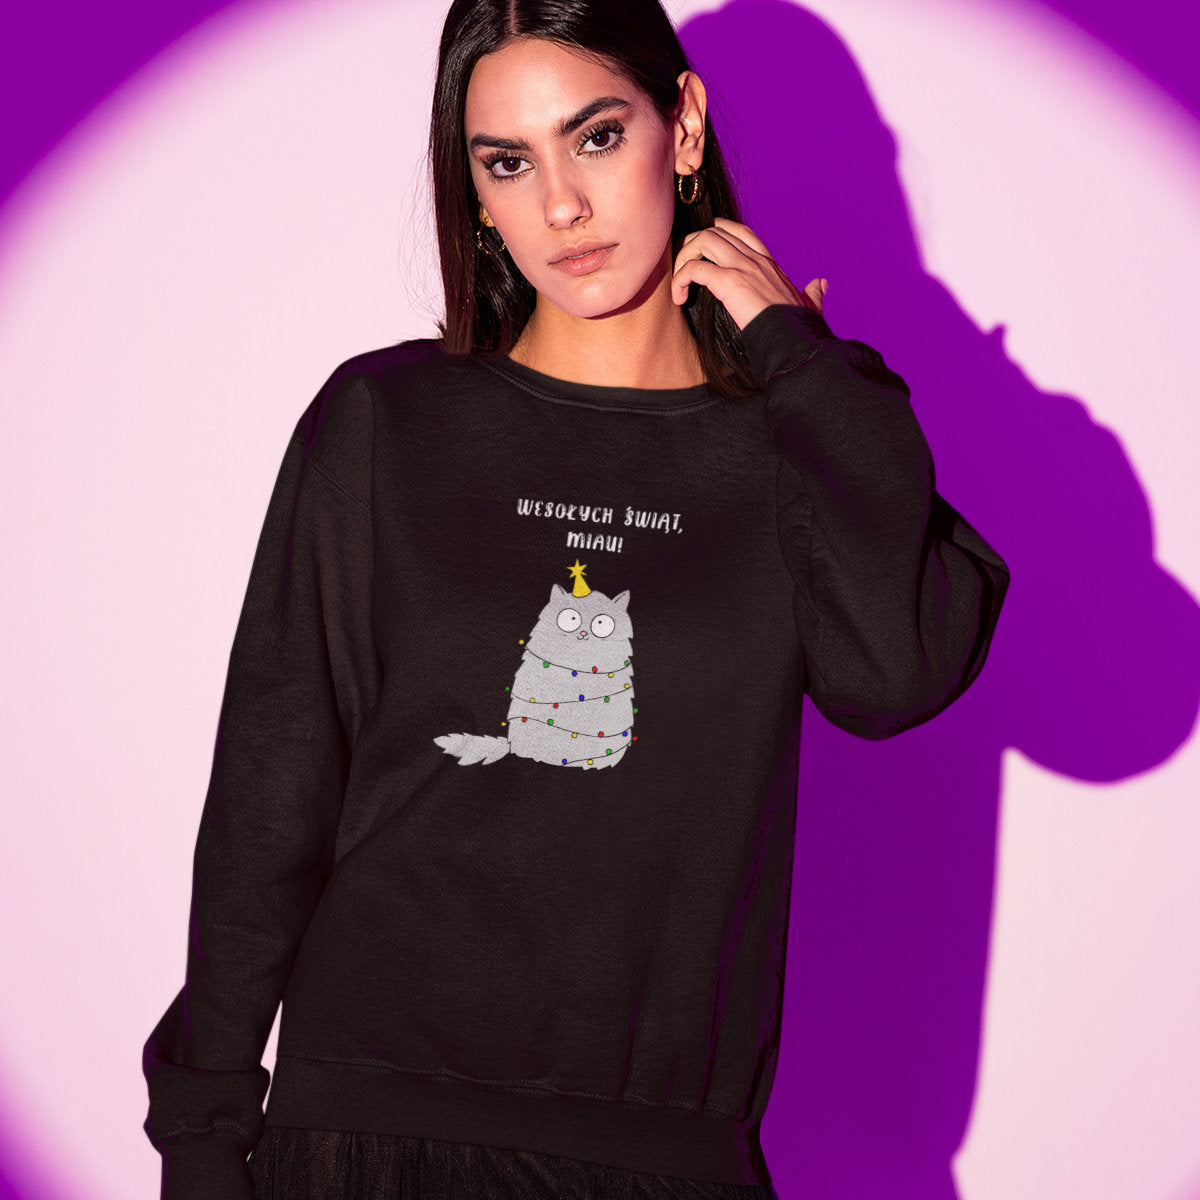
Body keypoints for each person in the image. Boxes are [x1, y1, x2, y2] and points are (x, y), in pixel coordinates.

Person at [140, 0, 1010, 1196]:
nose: (559, 204)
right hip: (366, 1129)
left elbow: (894, 675)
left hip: (658, 1148)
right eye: (508, 162)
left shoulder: (792, 443)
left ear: (683, 128)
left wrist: (802, 362)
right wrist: (202, 1135)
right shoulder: (386, 424)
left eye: (596, 137)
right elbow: (271, 788)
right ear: (476, 194)